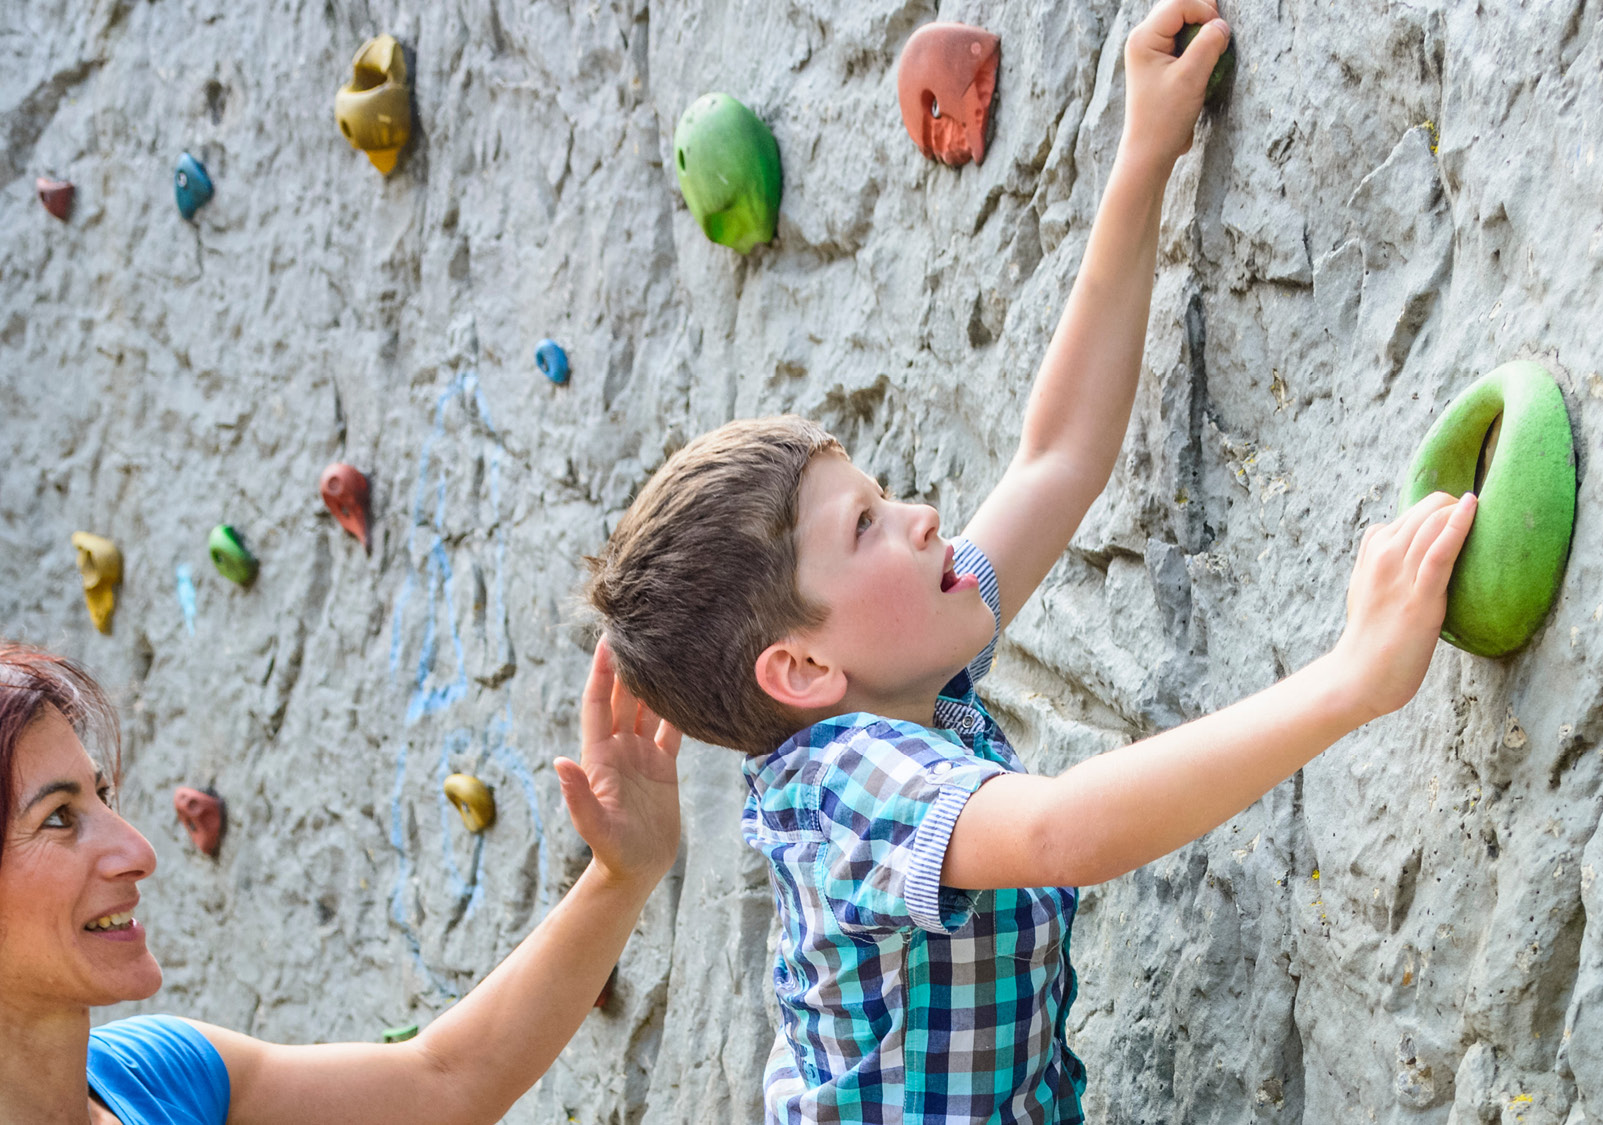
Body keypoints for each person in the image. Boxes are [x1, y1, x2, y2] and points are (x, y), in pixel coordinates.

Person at [580, 0, 1478, 1120]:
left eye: (882, 495)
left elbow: (1056, 458)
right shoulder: (847, 782)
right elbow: (1064, 831)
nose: (918, 516)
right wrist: (1351, 679)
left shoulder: (909, 669)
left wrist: (1144, 152)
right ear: (802, 671)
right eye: (864, 526)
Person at [0, 638, 681, 1125]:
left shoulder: (158, 1074)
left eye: (103, 795)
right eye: (58, 817)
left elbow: (444, 1082)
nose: (138, 850)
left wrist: (622, 874)